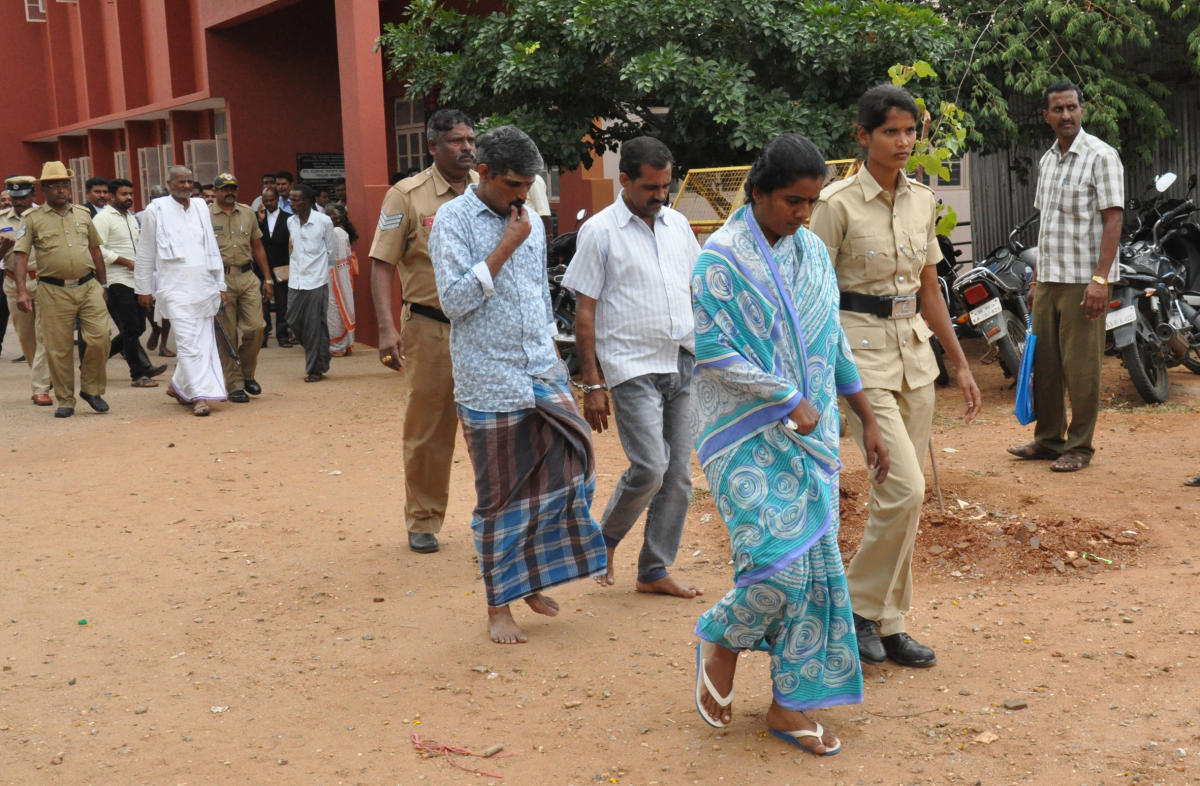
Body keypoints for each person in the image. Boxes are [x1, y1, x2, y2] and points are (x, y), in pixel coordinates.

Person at [691, 134, 890, 755]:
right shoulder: (718, 260)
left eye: (810, 202)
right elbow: (713, 350)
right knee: (778, 565)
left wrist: (866, 416)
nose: (803, 214)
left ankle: (788, 706)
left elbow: (831, 339)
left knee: (818, 573)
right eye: (792, 202)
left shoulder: (811, 252)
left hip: (816, 436)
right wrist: (785, 398)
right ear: (757, 194)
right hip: (744, 436)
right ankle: (720, 639)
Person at [809, 84, 981, 669]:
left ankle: (890, 623)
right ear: (863, 136)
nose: (904, 142)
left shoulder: (922, 201)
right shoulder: (835, 205)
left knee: (900, 498)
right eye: (890, 131)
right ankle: (856, 609)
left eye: (911, 131)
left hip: (915, 356)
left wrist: (959, 362)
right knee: (906, 488)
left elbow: (930, 288)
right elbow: (814, 293)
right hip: (858, 359)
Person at [429, 125, 607, 644]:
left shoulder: (526, 214)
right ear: (481, 173)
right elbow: (455, 302)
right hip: (489, 380)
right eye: (511, 185)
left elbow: (534, 297)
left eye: (528, 185)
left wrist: (555, 359)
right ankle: (498, 603)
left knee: (572, 469)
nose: (521, 195)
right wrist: (507, 245)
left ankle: (531, 574)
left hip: (541, 370)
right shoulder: (453, 222)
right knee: (500, 498)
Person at [562, 136, 702, 598]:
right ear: (624, 180)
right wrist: (592, 382)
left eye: (666, 186)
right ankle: (603, 542)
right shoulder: (600, 232)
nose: (660, 196)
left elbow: (698, 290)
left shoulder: (679, 225)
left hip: (682, 360)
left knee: (678, 475)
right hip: (630, 367)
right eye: (650, 187)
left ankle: (654, 570)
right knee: (651, 466)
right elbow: (586, 311)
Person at [370, 108, 479, 554]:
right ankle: (423, 519)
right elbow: (382, 262)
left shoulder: (487, 191)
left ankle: (495, 519)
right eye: (456, 140)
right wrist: (385, 328)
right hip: (430, 327)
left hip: (482, 330)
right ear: (432, 146)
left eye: (471, 139)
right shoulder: (406, 196)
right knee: (429, 431)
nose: (467, 147)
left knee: (494, 426)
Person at [1007, 80, 1124, 473]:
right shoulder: (1047, 161)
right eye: (1058, 109)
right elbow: (1048, 225)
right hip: (1050, 279)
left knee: (1082, 367)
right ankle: (1048, 439)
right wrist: (1037, 277)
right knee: (1046, 364)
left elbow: (1113, 220)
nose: (1066, 115)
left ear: (1082, 110)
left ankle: (1080, 446)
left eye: (1072, 107)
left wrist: (1101, 280)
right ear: (1047, 116)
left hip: (1083, 281)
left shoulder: (1101, 157)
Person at [11, 161, 110, 418]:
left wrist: (104, 283)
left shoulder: (83, 214)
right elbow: (20, 255)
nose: (61, 190)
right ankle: (66, 399)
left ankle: (91, 389)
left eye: (64, 185)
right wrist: (22, 291)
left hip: (88, 285)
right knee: (59, 347)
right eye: (54, 186)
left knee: (100, 338)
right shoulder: (32, 219)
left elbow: (95, 249)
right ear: (44, 189)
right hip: (52, 290)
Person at [134, 165, 227, 417]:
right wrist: (143, 289)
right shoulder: (156, 210)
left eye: (189, 182)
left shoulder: (200, 208)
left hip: (203, 285)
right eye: (181, 182)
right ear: (168, 183)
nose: (186, 186)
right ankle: (198, 396)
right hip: (174, 289)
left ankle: (178, 386)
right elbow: (145, 253)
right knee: (187, 343)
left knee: (202, 341)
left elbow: (211, 246)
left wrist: (220, 283)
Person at [93, 177, 166, 387]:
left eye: (131, 194)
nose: (129, 198)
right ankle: (138, 373)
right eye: (124, 194)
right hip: (117, 279)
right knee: (131, 327)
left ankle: (94, 361)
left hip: (138, 279)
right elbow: (97, 248)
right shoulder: (104, 218)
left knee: (138, 328)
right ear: (111, 196)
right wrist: (124, 261)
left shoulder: (132, 217)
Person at [210, 172, 273, 402]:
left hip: (247, 277)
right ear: (215, 191)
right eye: (224, 188)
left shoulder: (247, 213)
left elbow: (258, 247)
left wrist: (267, 279)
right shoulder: (205, 215)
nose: (230, 192)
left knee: (256, 328)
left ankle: (247, 374)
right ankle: (234, 383)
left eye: (233, 188)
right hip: (221, 280)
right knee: (227, 334)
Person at [1, 175, 52, 404]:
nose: (17, 201)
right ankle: (40, 375)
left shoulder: (45, 217)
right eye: (13, 197)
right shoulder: (2, 219)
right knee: (27, 338)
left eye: (22, 197)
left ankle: (40, 387)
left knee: (44, 335)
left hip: (42, 281)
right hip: (13, 283)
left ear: (33, 195)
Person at [285, 183, 336, 382]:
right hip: (296, 280)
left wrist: (321, 270)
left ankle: (315, 368)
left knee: (314, 325)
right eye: (291, 199)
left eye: (296, 200)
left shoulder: (323, 221)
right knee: (294, 321)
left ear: (308, 201)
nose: (292, 203)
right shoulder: (290, 222)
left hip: (317, 280)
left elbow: (331, 251)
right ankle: (322, 354)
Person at [141, 184, 175, 358]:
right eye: (155, 198)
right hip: (150, 268)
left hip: (166, 268)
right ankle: (155, 328)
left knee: (167, 308)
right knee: (148, 305)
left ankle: (163, 344)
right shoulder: (142, 215)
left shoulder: (173, 215)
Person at [257, 186, 292, 346]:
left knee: (282, 302)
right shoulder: (257, 218)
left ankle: (283, 336)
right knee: (262, 302)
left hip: (282, 266)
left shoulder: (289, 218)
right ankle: (263, 335)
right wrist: (260, 221)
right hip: (262, 268)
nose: (269, 203)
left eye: (272, 200)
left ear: (278, 200)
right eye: (266, 200)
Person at [325, 202, 357, 356]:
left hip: (334, 276)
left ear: (337, 218)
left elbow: (331, 257)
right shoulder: (341, 232)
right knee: (343, 305)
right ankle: (346, 344)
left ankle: (337, 346)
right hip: (342, 275)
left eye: (328, 214)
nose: (325, 217)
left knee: (334, 308)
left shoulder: (336, 233)